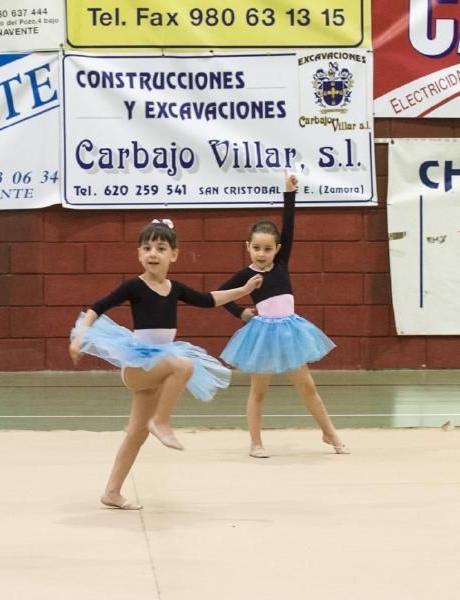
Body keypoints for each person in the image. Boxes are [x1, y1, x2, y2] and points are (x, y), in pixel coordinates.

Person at [69, 219, 262, 509]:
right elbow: (98, 307)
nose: (152, 254)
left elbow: (209, 299)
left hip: (159, 366)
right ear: (138, 254)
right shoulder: (134, 285)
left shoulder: (175, 288)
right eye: (146, 248)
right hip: (138, 365)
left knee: (136, 434)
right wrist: (80, 336)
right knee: (183, 366)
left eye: (160, 248)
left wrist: (242, 289)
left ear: (174, 255)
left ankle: (112, 492)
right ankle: (161, 422)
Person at [218, 173, 349, 458]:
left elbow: (289, 226)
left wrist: (289, 194)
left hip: (290, 332)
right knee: (259, 391)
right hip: (262, 335)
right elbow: (221, 294)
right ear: (247, 247)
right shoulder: (246, 274)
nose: (261, 254)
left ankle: (330, 434)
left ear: (277, 249)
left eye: (267, 249)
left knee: (308, 388)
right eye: (256, 248)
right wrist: (240, 312)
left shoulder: (281, 263)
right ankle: (255, 442)